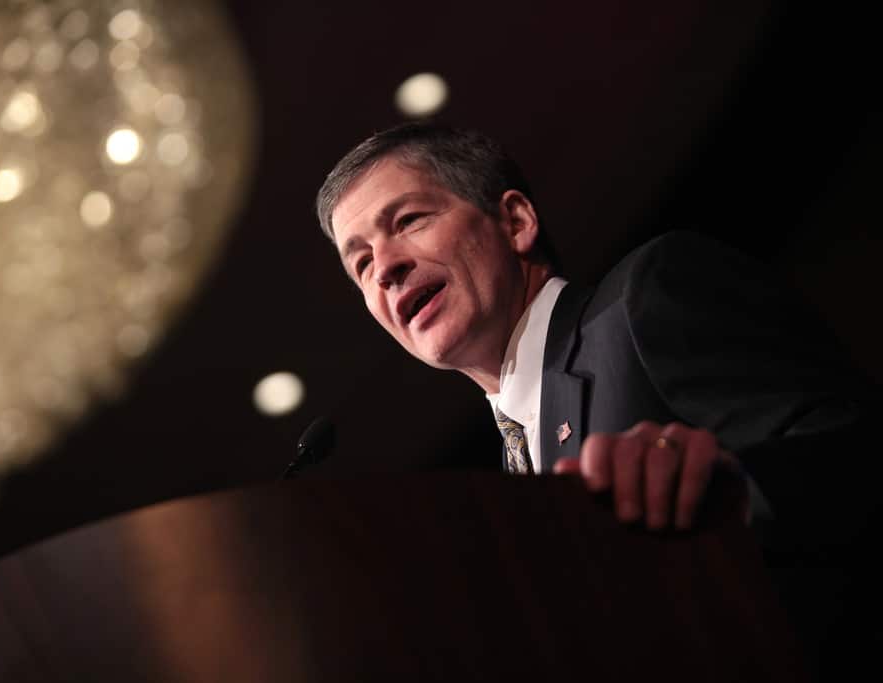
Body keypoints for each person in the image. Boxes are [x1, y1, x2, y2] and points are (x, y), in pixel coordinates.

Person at [315, 121, 876, 675]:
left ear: (515, 221)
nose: (385, 268)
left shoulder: (644, 300)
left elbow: (853, 454)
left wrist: (729, 490)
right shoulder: (504, 480)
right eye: (360, 263)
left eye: (409, 221)